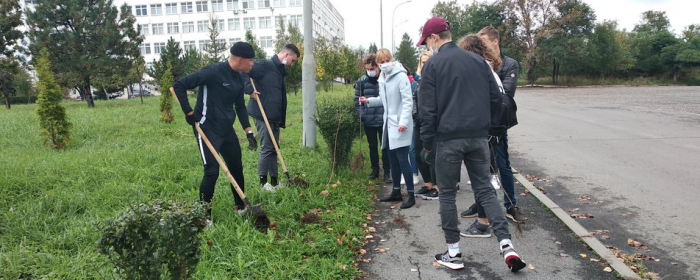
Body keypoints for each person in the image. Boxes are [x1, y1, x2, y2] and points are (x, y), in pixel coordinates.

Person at [416, 17, 526, 272]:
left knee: (447, 195)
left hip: (447, 139)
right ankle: (507, 245)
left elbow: (427, 111)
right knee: (485, 190)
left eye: (427, 41)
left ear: (434, 38)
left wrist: (428, 145)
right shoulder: (478, 61)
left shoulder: (433, 66)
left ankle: (453, 253)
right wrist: (484, 129)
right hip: (478, 138)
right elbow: (495, 100)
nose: (428, 46)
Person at [173, 42, 259, 219]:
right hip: (206, 128)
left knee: (236, 167)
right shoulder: (213, 72)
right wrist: (188, 112)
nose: (252, 64)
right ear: (241, 59)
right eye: (251, 61)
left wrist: (248, 131)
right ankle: (204, 217)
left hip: (226, 129)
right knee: (211, 171)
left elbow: (240, 106)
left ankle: (240, 207)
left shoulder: (238, 78)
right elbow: (179, 85)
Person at [461, 26, 526, 223]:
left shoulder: (508, 64)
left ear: (494, 41)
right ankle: (480, 204)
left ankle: (510, 204)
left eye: (484, 43)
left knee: (502, 164)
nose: (481, 47)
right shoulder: (479, 63)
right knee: (479, 168)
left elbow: (507, 93)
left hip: (497, 124)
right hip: (479, 124)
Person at [456, 34, 507, 238]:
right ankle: (483, 213)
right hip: (488, 130)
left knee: (483, 180)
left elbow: (491, 100)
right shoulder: (486, 67)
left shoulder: (480, 69)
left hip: (484, 131)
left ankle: (484, 223)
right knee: (483, 178)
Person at [359, 49, 415, 209]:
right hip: (389, 125)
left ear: (392, 59)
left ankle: (411, 194)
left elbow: (407, 101)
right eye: (381, 62)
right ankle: (396, 191)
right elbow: (383, 100)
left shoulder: (401, 76)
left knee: (403, 159)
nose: (384, 64)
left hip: (400, 125)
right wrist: (368, 101)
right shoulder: (383, 78)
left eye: (386, 60)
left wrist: (403, 122)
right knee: (392, 159)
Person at [246, 44, 300, 191]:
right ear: (286, 55)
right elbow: (244, 73)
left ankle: (274, 182)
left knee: (275, 148)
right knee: (267, 147)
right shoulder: (265, 65)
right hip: (262, 113)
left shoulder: (279, 71)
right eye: (293, 61)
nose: (292, 64)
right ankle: (263, 183)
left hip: (274, 115)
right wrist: (250, 91)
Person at [354, 54, 391, 181]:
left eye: (372, 69)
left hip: (382, 120)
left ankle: (387, 171)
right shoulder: (361, 82)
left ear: (377, 67)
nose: (370, 71)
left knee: (385, 146)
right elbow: (357, 101)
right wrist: (362, 115)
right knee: (372, 146)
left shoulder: (385, 79)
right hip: (368, 120)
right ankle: (375, 170)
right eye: (367, 69)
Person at [412, 50, 439, 200]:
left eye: (427, 61)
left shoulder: (436, 79)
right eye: (422, 62)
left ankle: (437, 185)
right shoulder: (419, 81)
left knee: (431, 154)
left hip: (432, 123)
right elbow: (415, 100)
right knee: (418, 153)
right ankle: (427, 183)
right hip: (419, 122)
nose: (424, 64)